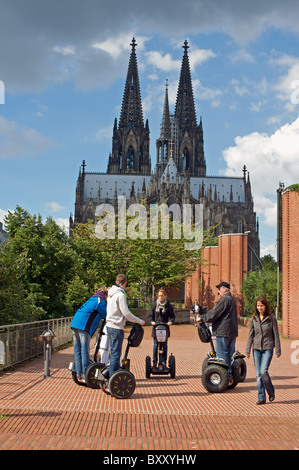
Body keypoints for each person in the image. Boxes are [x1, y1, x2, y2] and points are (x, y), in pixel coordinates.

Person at [106, 274, 145, 379]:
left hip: (109, 325)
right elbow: (126, 313)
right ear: (125, 283)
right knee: (115, 354)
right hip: (116, 327)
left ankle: (110, 375)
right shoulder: (120, 295)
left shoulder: (110, 294)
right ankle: (112, 379)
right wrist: (139, 321)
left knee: (112, 352)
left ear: (116, 281)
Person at [198, 281, 238, 383]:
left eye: (219, 289)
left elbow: (215, 313)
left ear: (224, 290)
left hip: (223, 331)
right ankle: (229, 376)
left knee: (222, 356)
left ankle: (224, 379)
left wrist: (203, 318)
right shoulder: (232, 300)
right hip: (232, 332)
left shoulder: (224, 299)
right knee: (229, 355)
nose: (218, 291)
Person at [246, 296, 281, 405]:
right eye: (258, 305)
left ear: (265, 306)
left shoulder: (271, 318)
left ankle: (270, 391)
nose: (260, 307)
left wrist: (278, 350)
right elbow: (251, 335)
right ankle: (261, 398)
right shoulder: (254, 319)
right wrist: (248, 349)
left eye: (261, 305)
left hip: (268, 348)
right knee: (258, 374)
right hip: (256, 349)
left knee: (263, 371)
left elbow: (276, 334)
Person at [71, 287, 108, 383]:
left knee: (77, 350)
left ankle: (79, 374)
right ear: (105, 295)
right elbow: (105, 314)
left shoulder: (91, 299)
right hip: (83, 326)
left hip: (74, 324)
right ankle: (85, 374)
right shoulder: (101, 301)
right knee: (85, 351)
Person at [148, 289, 175, 368]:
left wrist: (170, 321)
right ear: (157, 296)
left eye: (162, 295)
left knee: (165, 345)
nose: (161, 297)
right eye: (159, 295)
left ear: (165, 296)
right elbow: (150, 315)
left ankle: (163, 362)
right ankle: (155, 363)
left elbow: (172, 316)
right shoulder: (154, 304)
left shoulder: (168, 305)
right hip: (156, 328)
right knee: (156, 346)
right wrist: (152, 321)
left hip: (165, 328)